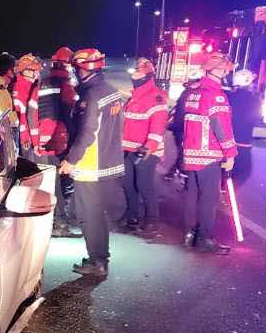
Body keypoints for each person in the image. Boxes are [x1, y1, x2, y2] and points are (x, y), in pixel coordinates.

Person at [58, 46, 125, 278]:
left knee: (88, 215)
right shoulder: (111, 91)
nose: (75, 73)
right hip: (108, 161)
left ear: (83, 69)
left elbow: (88, 132)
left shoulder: (91, 95)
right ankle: (100, 257)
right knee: (98, 213)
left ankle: (98, 262)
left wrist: (71, 160)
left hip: (90, 165)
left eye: (76, 69)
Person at [180, 52, 238, 253]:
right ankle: (204, 238)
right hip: (208, 153)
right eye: (226, 70)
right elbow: (221, 126)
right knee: (209, 197)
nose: (227, 73)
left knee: (192, 194)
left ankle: (189, 234)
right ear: (220, 70)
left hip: (191, 152)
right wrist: (230, 153)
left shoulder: (193, 92)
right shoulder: (216, 95)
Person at [120, 56, 169, 237]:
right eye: (134, 73)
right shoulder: (133, 97)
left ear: (148, 76)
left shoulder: (157, 97)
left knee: (144, 185)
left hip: (147, 151)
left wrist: (149, 147)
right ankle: (132, 217)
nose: (135, 77)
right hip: (128, 149)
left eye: (139, 74)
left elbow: (158, 127)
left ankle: (152, 221)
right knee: (127, 184)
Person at [38, 48, 79, 235]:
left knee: (51, 181)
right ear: (68, 65)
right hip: (60, 140)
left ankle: (57, 219)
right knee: (62, 180)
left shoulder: (43, 82)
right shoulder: (66, 85)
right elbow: (70, 114)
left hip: (43, 141)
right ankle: (61, 220)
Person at [225, 67, 260, 192]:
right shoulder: (253, 99)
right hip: (243, 143)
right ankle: (228, 194)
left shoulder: (228, 97)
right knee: (244, 172)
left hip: (227, 141)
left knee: (227, 171)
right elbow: (256, 117)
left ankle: (224, 190)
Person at [13, 54, 42, 159]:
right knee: (29, 166)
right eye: (33, 70)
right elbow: (26, 117)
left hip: (23, 136)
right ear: (25, 71)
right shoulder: (24, 87)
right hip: (26, 138)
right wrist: (30, 140)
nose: (36, 73)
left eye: (37, 70)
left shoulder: (19, 84)